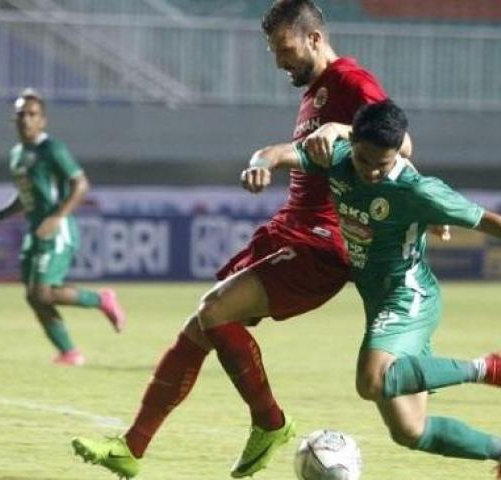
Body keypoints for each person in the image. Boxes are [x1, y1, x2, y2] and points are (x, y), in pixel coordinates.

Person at [71, 1, 417, 478]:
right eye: (274, 50)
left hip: (322, 240)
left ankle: (270, 422)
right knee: (200, 326)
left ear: (314, 38)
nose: (279, 60)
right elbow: (298, 154)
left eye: (285, 48)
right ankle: (131, 449)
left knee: (214, 310)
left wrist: (342, 128)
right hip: (288, 228)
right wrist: (265, 160)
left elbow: (401, 143)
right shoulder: (314, 92)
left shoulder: (352, 81)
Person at [240, 99, 501, 480]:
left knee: (371, 380)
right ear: (354, 142)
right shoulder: (338, 157)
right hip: (379, 301)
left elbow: (487, 220)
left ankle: (486, 368)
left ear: (399, 153)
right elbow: (275, 153)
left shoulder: (418, 190)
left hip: (409, 296)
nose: (373, 172)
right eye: (366, 161)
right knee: (409, 431)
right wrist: (260, 165)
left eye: (384, 164)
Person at [0, 88, 126, 367]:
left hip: (57, 230)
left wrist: (57, 217)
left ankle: (101, 299)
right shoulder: (17, 155)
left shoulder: (51, 149)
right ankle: (69, 353)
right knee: (34, 296)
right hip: (36, 232)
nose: (26, 119)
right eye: (21, 114)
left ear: (42, 120)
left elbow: (80, 184)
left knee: (43, 292)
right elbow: (25, 196)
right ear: (14, 119)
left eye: (32, 114)